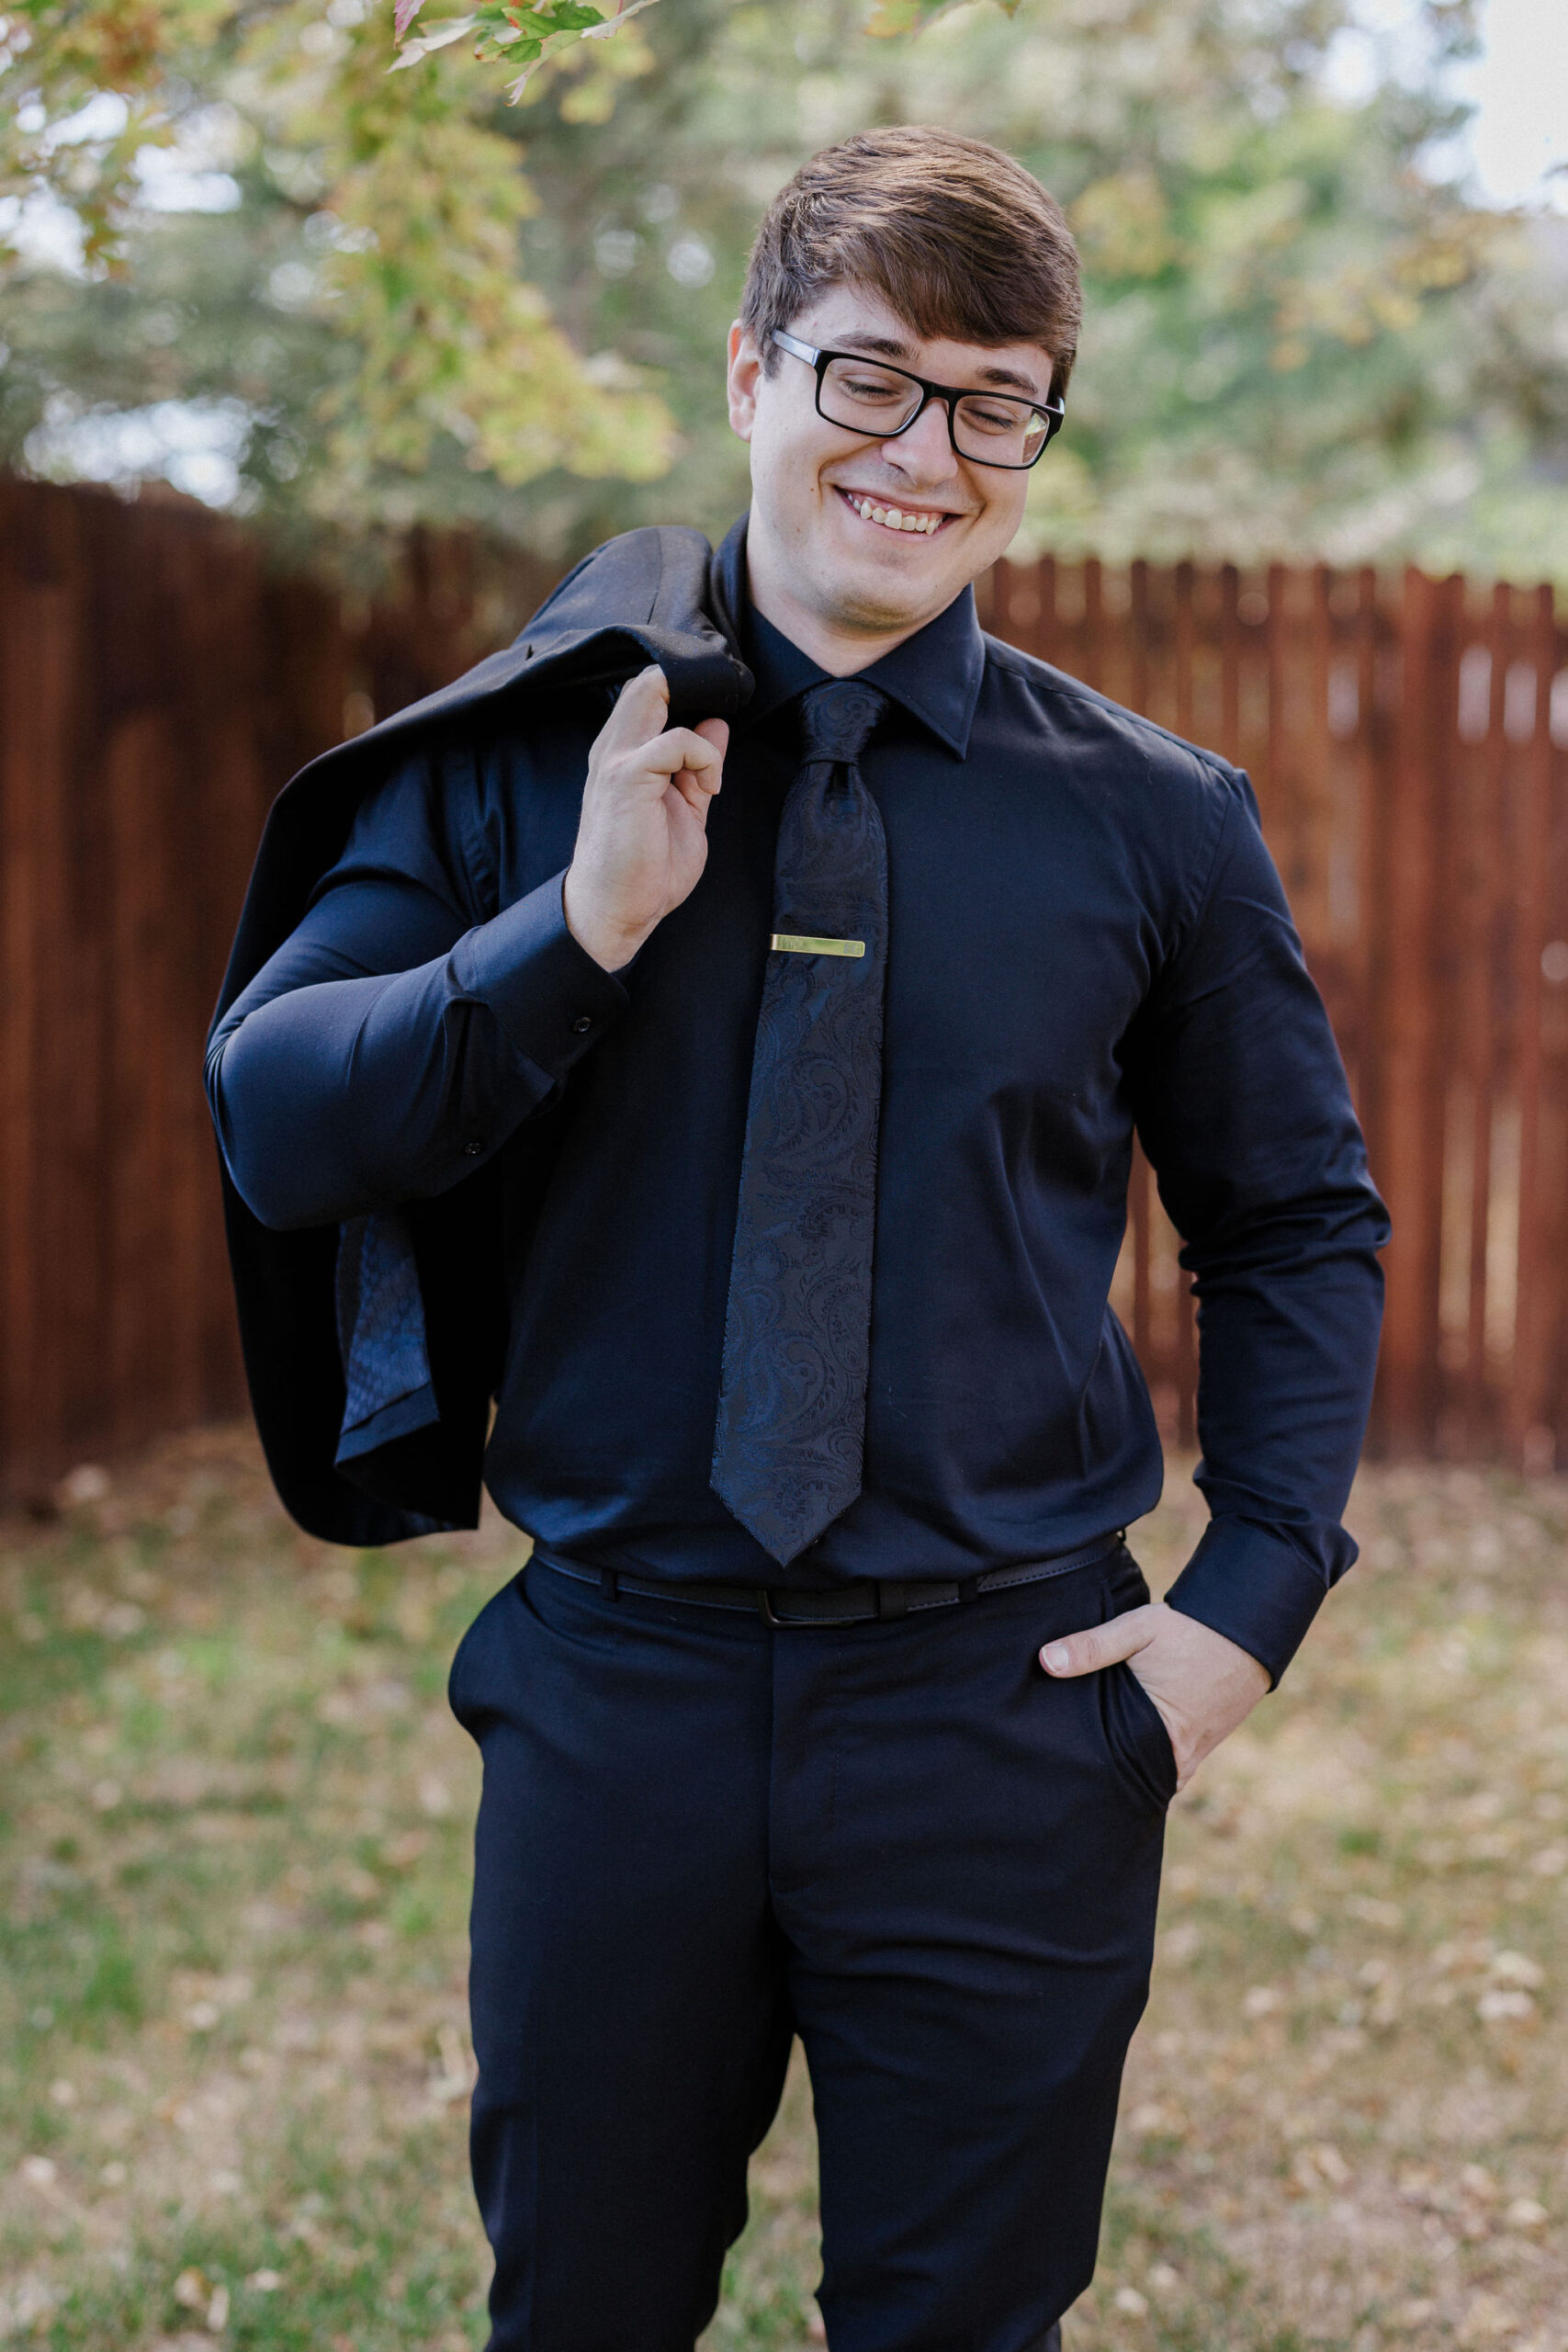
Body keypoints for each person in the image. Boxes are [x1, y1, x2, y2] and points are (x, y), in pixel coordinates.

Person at [207, 125, 1387, 2352]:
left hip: (1007, 1712)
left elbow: (1295, 1217)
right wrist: (566, 936)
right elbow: (279, 1119)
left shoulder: (1153, 821)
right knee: (584, 2312)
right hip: (617, 1699)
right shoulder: (520, 766)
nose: (922, 453)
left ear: (1035, 435)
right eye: (866, 376)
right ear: (747, 372)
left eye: (990, 400)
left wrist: (1244, 1601)